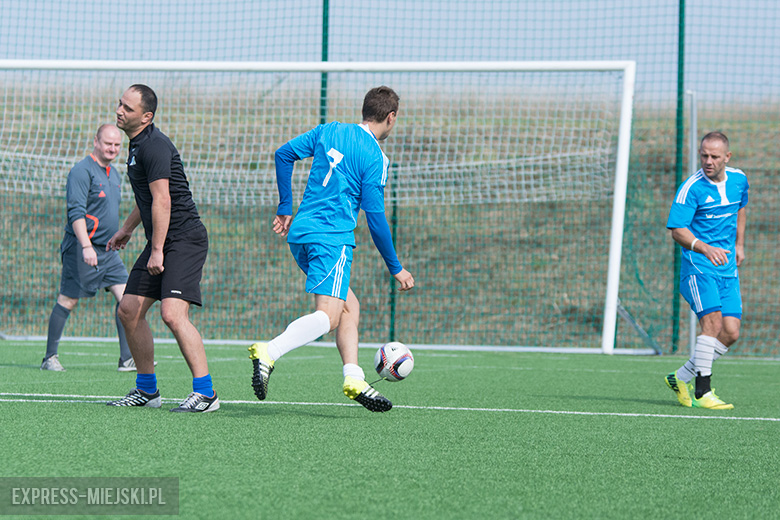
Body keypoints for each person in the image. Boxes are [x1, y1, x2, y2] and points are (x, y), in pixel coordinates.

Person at [248, 86, 414, 412]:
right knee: (328, 316)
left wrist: (285, 207)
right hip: (332, 238)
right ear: (391, 117)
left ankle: (353, 377)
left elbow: (284, 153)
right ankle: (269, 351)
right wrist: (395, 267)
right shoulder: (375, 158)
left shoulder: (330, 130)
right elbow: (376, 219)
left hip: (301, 234)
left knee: (350, 307)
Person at [105, 84, 218, 412]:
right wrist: (126, 229)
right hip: (163, 238)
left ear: (146, 116)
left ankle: (206, 393)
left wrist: (157, 251)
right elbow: (148, 198)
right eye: (120, 104)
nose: (119, 111)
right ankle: (147, 390)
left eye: (127, 107)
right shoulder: (136, 145)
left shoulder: (154, 146)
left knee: (172, 313)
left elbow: (163, 200)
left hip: (184, 239)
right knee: (128, 310)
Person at [665, 131, 749, 410]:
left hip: (727, 269)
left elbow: (741, 209)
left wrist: (739, 244)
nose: (708, 161)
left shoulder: (739, 180)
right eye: (704, 155)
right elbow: (677, 231)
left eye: (714, 156)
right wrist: (704, 247)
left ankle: (680, 377)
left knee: (731, 332)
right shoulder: (691, 188)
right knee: (711, 324)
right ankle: (702, 392)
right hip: (698, 267)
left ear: (727, 157)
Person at [41, 124, 135, 372]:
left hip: (109, 252)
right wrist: (85, 246)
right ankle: (49, 357)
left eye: (117, 145)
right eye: (108, 143)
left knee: (127, 299)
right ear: (96, 141)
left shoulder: (113, 173)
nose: (113, 148)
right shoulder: (82, 171)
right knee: (68, 299)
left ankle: (126, 358)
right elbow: (76, 213)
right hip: (82, 248)